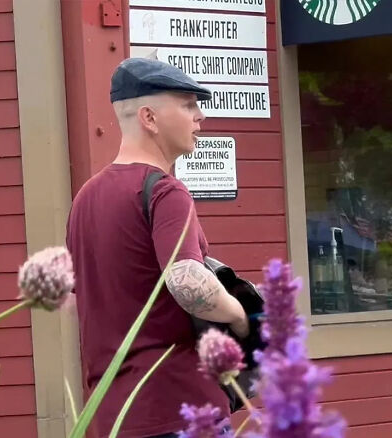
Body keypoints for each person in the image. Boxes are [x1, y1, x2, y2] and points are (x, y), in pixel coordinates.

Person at [66, 58, 249, 438]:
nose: (200, 116)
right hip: (180, 408)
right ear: (149, 117)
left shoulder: (85, 197)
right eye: (187, 104)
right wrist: (240, 315)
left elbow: (78, 300)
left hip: (114, 415)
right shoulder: (165, 190)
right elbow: (184, 279)